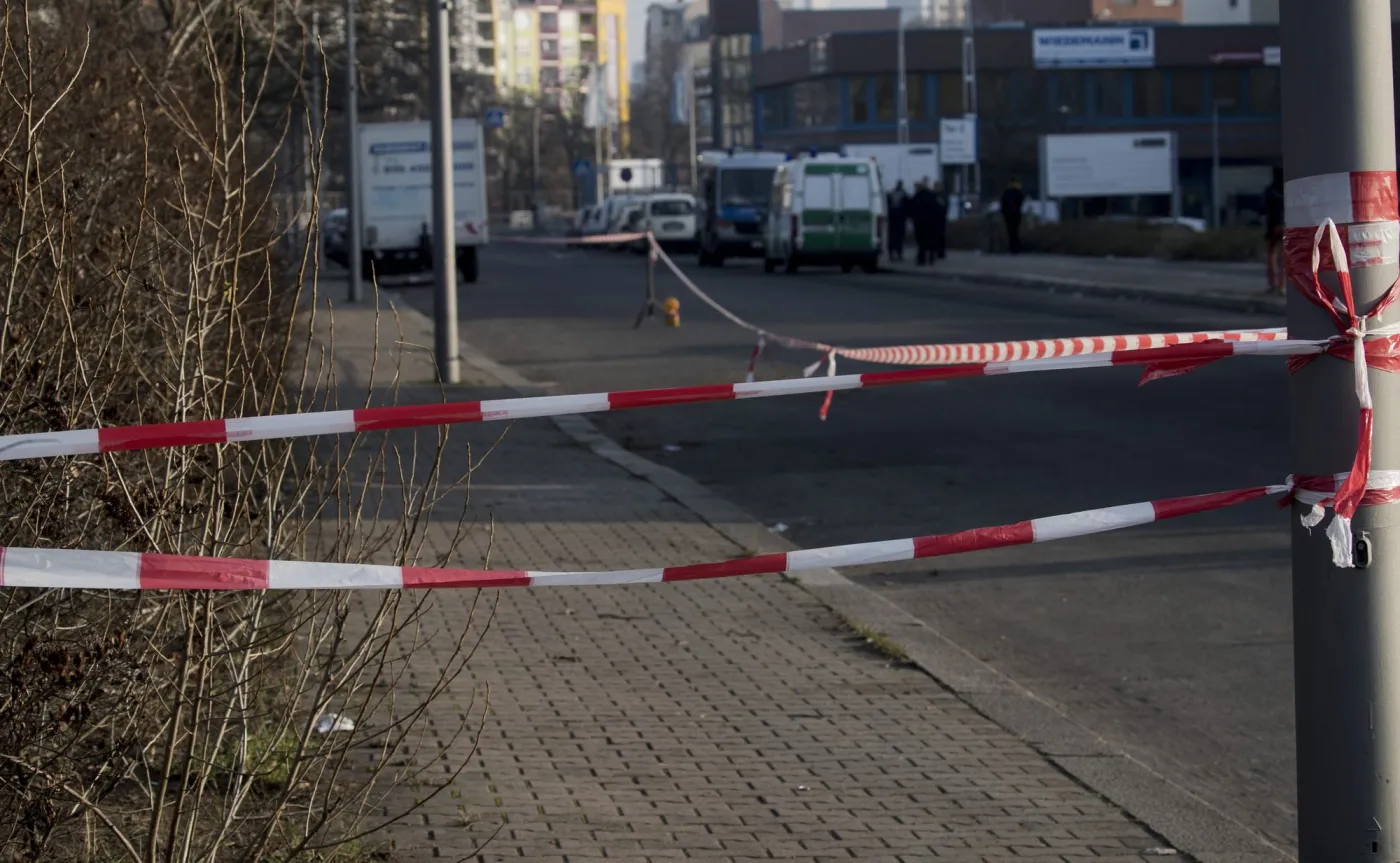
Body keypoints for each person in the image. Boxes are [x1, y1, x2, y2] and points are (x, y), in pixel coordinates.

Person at [1264, 168, 1285, 295]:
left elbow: (1263, 208)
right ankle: (1282, 285)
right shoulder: (1287, 190)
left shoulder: (1270, 191)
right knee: (1284, 256)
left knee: (1271, 254)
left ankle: (1273, 284)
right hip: (1286, 225)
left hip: (1272, 225)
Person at [911, 178, 937, 265]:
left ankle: (922, 259)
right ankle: (930, 258)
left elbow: (912, 209)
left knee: (921, 241)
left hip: (920, 223)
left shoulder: (917, 196)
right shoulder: (931, 195)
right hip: (930, 222)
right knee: (929, 241)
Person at [1000, 178, 1026, 254]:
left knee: (1011, 232)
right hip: (1016, 215)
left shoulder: (1007, 193)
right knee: (1015, 231)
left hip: (1008, 215)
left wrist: (1004, 213)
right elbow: (1021, 203)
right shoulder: (1019, 193)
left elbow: (1003, 204)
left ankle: (1013, 247)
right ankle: (1016, 247)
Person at [886, 181, 908, 261]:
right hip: (899, 220)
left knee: (893, 238)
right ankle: (898, 254)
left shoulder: (891, 194)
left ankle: (892, 254)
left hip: (893, 219)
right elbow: (907, 207)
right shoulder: (903, 195)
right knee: (899, 238)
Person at [930, 181, 950, 261]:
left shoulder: (943, 195)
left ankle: (941, 252)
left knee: (941, 235)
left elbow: (945, 205)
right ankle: (935, 251)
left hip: (941, 218)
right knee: (934, 236)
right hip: (934, 218)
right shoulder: (933, 195)